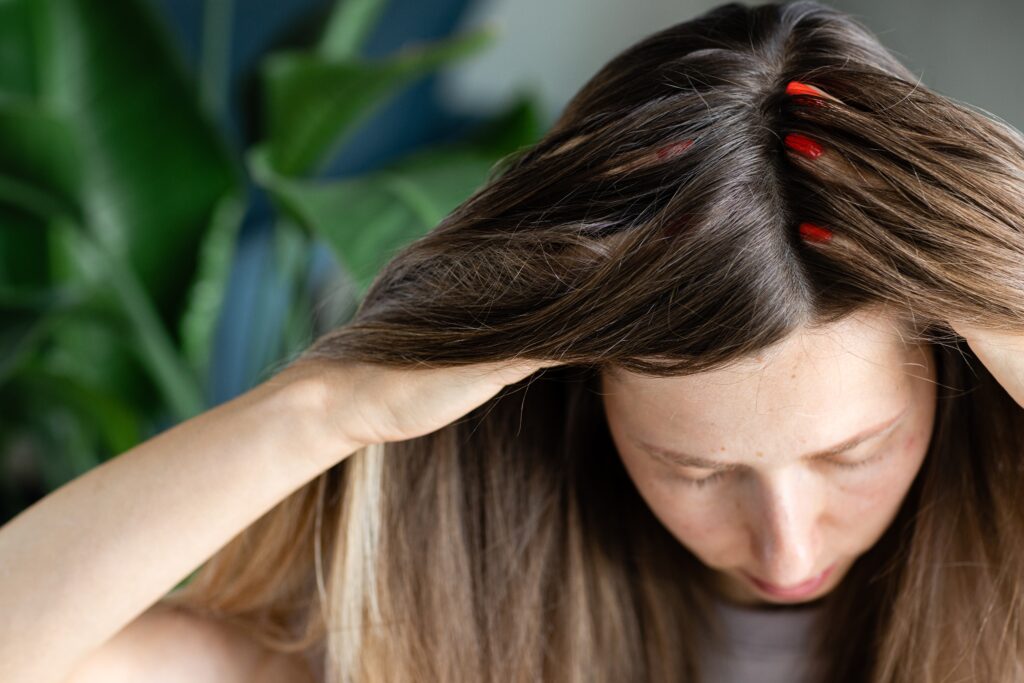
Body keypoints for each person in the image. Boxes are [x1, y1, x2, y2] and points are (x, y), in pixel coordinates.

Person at [3, 0, 1024, 681]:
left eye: (853, 454)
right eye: (696, 469)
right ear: (582, 390)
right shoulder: (421, 620)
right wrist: (321, 408)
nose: (786, 543)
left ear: (959, 368)